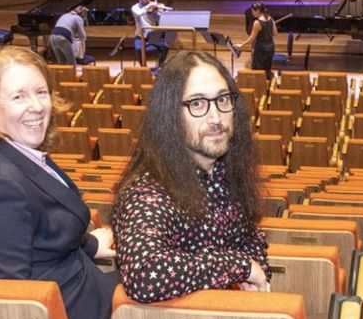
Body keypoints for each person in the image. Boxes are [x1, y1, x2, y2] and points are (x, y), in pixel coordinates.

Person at [0, 47, 117, 319]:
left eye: (41, 92)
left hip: (74, 283)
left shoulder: (6, 150)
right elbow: (13, 304)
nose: (36, 106)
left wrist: (90, 245)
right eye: (18, 96)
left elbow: (39, 233)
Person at [112, 51, 270, 303]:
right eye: (197, 104)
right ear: (171, 115)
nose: (216, 118)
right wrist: (242, 266)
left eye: (222, 99)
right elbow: (145, 275)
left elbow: (248, 237)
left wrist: (256, 271)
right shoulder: (147, 192)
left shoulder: (224, 172)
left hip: (229, 313)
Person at [131, 0, 174, 68]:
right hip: (140, 37)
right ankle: (144, 68)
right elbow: (139, 14)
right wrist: (148, 7)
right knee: (139, 49)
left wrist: (164, 13)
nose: (148, 0)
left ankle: (159, 67)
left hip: (153, 36)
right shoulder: (135, 7)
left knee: (165, 47)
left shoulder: (153, 7)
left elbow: (159, 20)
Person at [239, 2, 279, 80]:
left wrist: (242, 44)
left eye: (253, 11)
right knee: (267, 69)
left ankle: (259, 86)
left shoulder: (257, 23)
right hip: (270, 46)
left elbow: (252, 38)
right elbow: (275, 33)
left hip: (261, 48)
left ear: (258, 11)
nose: (252, 13)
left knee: (258, 71)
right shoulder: (271, 19)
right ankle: (268, 84)